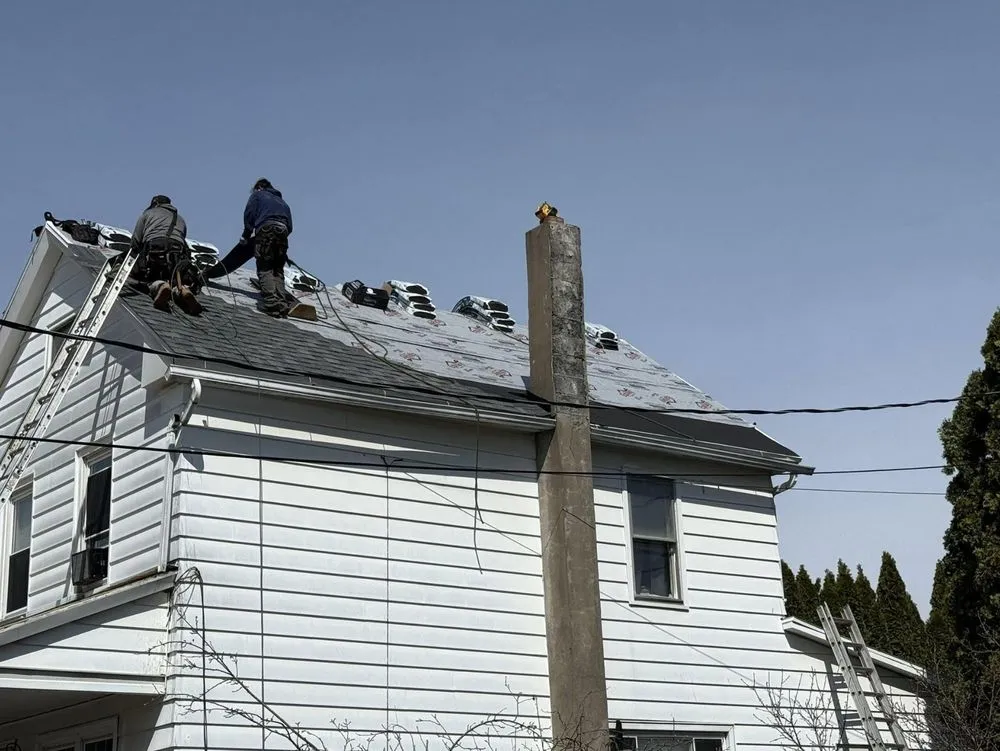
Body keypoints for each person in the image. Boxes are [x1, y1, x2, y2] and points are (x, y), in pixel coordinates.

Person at [130, 195, 202, 315]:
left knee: (150, 278)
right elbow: (181, 238)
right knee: (175, 277)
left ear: (155, 204)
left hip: (155, 249)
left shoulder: (148, 214)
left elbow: (136, 241)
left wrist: (136, 262)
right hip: (178, 253)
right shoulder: (181, 219)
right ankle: (183, 290)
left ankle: (161, 286)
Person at [242, 178, 296, 318]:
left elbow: (250, 215)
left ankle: (272, 304)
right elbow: (290, 226)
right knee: (277, 269)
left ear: (259, 187)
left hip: (267, 229)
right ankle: (282, 304)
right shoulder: (283, 202)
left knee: (265, 266)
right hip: (283, 232)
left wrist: (246, 235)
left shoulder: (258, 195)